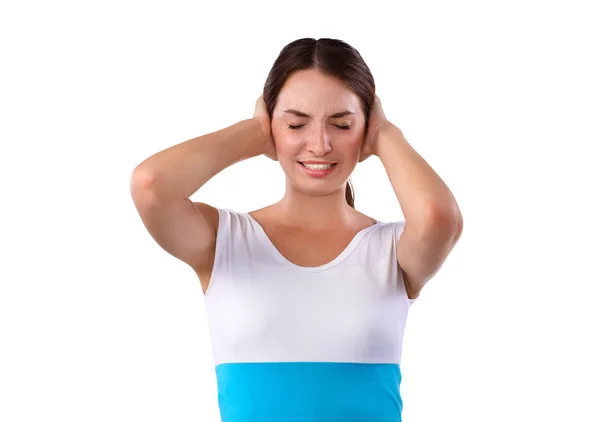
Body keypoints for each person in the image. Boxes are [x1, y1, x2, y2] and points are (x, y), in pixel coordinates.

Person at [130, 38, 463, 422]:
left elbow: (439, 216)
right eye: (296, 123)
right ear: (273, 125)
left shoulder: (392, 250)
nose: (319, 144)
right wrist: (254, 132)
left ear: (365, 128)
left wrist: (387, 134)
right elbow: (151, 185)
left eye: (341, 124)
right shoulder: (224, 240)